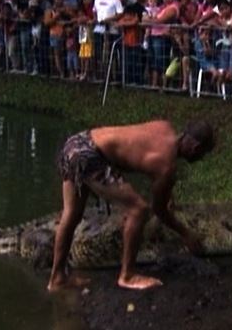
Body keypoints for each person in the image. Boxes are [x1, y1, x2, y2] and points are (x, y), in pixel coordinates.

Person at [47, 120, 215, 292]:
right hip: (91, 156)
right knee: (139, 210)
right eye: (203, 154)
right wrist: (186, 234)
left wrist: (168, 194)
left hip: (76, 143)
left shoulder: (165, 127)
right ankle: (127, 276)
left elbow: (148, 158)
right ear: (195, 147)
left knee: (71, 214)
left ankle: (57, 279)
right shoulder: (167, 168)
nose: (201, 159)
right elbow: (159, 210)